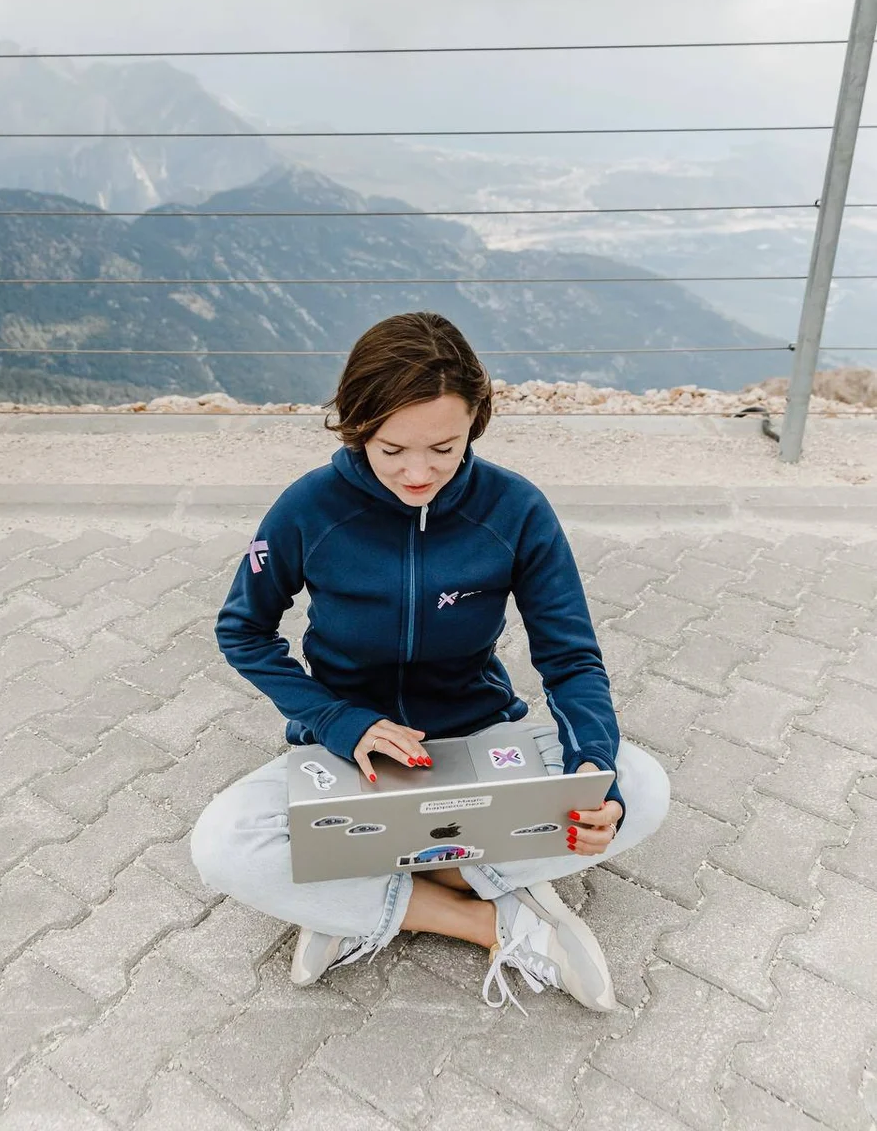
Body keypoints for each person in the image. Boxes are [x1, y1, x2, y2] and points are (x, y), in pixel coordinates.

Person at [190, 312, 670, 1013]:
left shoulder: (516, 509)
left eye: (443, 449)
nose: (419, 474)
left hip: (482, 740)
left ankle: (355, 896)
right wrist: (337, 719)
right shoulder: (308, 509)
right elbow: (243, 632)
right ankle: (484, 914)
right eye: (392, 451)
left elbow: (570, 659)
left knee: (645, 787)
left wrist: (593, 770)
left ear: (476, 421)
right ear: (356, 427)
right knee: (222, 845)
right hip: (355, 758)